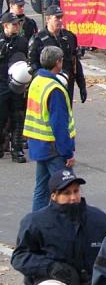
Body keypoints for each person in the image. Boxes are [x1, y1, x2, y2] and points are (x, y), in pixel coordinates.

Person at [24, 46, 76, 211]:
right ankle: (65, 223)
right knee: (66, 188)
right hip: (53, 147)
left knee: (41, 189)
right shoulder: (55, 89)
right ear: (58, 62)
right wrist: (67, 152)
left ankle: (36, 223)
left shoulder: (37, 81)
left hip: (38, 144)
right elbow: (59, 125)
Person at [29, 6, 86, 105]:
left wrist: (82, 85)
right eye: (57, 18)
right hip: (47, 87)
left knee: (66, 114)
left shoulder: (69, 37)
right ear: (48, 19)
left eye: (61, 18)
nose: (60, 21)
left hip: (67, 84)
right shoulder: (37, 39)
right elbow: (32, 65)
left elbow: (75, 62)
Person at [0, 12, 29, 163]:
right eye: (14, 24)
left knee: (18, 116)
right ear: (5, 25)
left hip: (17, 84)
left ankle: (17, 149)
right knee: (2, 116)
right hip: (2, 83)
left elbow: (26, 60)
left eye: (18, 23)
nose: (17, 26)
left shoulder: (22, 41)